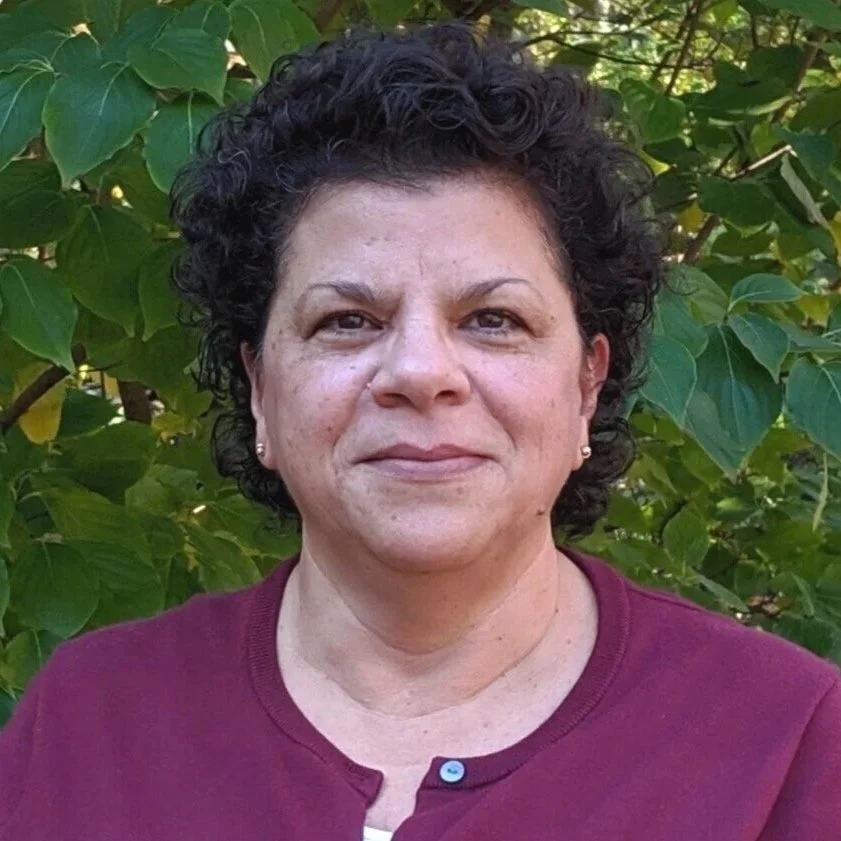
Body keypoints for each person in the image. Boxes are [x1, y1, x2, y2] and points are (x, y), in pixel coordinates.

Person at [1, 22, 839, 841]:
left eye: (493, 319)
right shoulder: (88, 719)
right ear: (260, 388)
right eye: (347, 320)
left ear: (586, 383)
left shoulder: (787, 742)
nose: (418, 370)